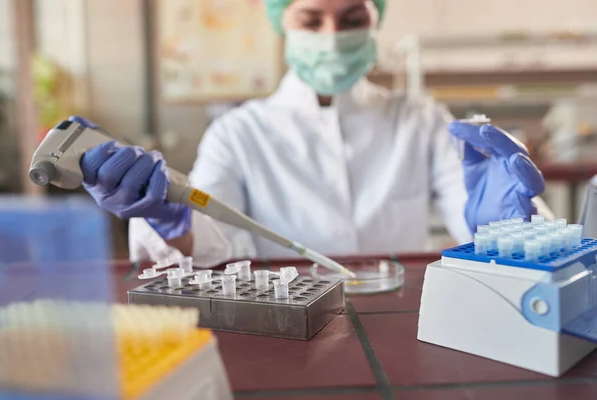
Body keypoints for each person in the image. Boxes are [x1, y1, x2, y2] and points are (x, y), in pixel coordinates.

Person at [73, 0, 550, 267]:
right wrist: (170, 218)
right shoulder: (239, 132)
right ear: (283, 21)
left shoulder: (419, 117)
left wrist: (506, 224)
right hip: (287, 320)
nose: (331, 35)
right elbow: (211, 240)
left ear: (375, 19)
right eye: (311, 18)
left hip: (400, 311)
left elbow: (475, 223)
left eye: (351, 19)